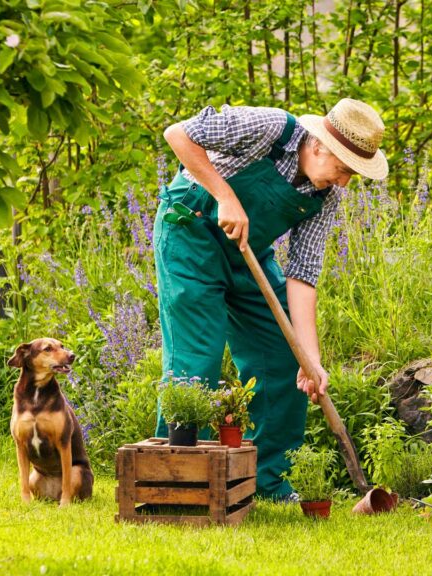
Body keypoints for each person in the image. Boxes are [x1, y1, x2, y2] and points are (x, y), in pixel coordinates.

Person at [153, 98, 388, 499]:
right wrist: (225, 197)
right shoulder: (269, 128)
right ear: (318, 146)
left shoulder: (323, 197)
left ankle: (265, 479)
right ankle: (178, 482)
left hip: (248, 254)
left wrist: (310, 359)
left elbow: (303, 274)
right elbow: (178, 134)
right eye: (343, 169)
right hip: (189, 235)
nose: (345, 182)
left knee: (285, 356)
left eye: (353, 175)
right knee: (197, 363)